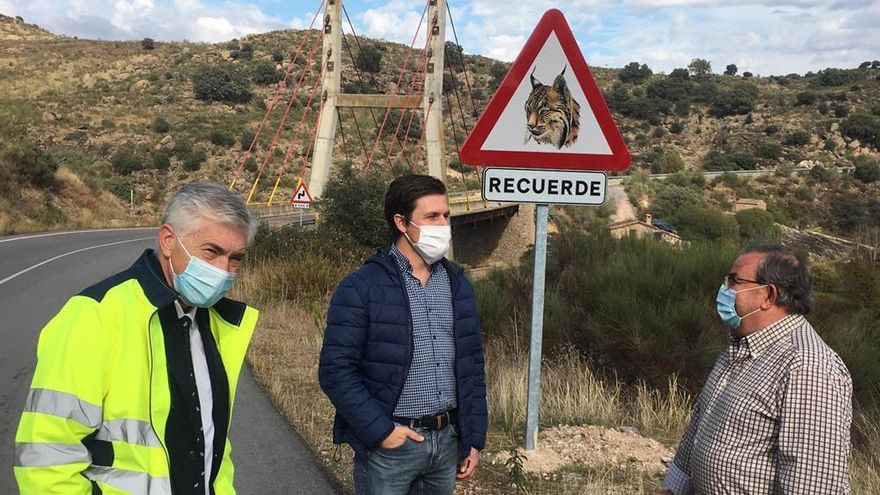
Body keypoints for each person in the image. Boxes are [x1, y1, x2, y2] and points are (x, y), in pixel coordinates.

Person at [15, 181, 260, 494]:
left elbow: (211, 445)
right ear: (168, 241)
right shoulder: (95, 315)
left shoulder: (216, 324)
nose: (223, 270)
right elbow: (46, 457)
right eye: (211, 251)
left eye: (235, 258)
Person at [319, 174, 488, 495]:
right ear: (401, 222)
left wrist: (473, 438)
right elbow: (335, 371)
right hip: (391, 446)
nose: (443, 225)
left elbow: (472, 366)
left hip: (448, 441)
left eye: (446, 216)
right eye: (432, 216)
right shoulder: (362, 287)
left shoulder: (457, 284)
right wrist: (381, 432)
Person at [655, 244, 852, 495]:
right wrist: (674, 490)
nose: (724, 289)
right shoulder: (736, 348)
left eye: (733, 280)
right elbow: (699, 428)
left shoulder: (808, 368)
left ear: (768, 295)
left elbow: (811, 485)